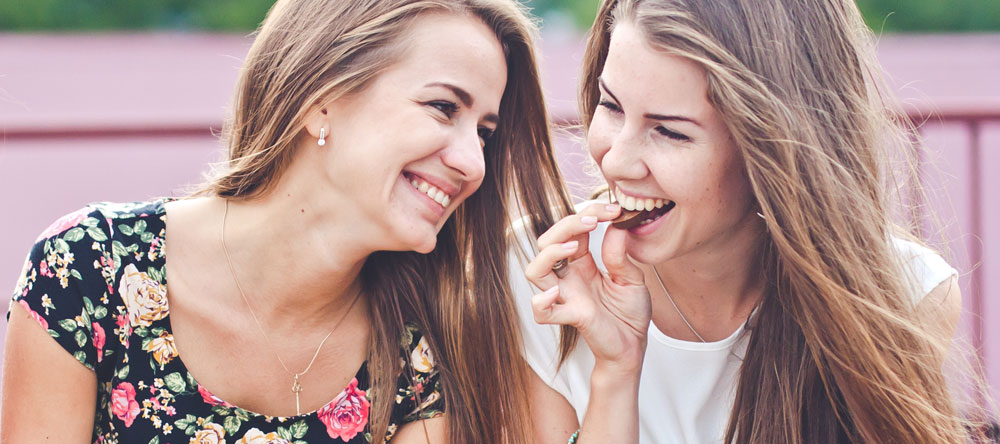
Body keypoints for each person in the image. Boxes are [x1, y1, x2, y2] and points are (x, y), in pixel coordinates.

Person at [2, 0, 572, 442]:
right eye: (443, 108)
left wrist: (617, 363)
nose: (473, 163)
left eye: (485, 133)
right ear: (322, 97)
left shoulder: (426, 345)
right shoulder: (88, 269)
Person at [510, 0, 985, 443]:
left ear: (772, 149)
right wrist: (616, 371)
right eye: (611, 106)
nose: (616, 161)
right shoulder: (541, 272)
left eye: (670, 131)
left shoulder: (902, 297)